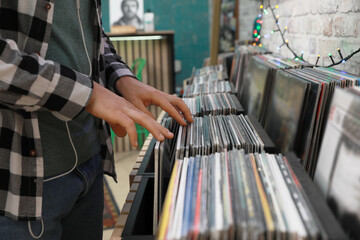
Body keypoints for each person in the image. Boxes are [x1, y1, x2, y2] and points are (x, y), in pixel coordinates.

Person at [0, 1, 192, 240]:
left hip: (90, 163)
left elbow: (95, 36)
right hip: (23, 184)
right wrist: (89, 94)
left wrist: (123, 79)